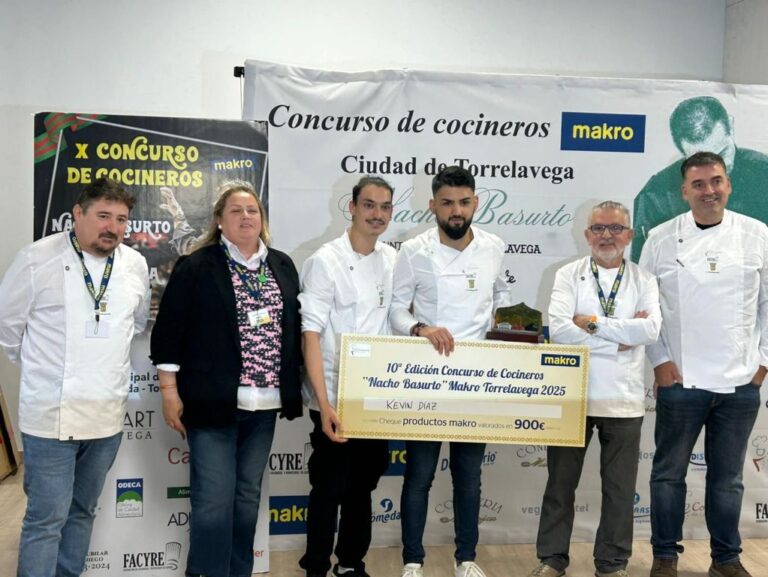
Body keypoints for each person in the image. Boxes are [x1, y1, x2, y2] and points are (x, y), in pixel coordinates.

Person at [150, 180, 303, 577]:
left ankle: (239, 572)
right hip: (212, 402)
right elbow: (168, 332)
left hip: (265, 404)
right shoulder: (198, 265)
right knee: (213, 501)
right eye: (235, 211)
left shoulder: (281, 264)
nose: (246, 217)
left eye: (252, 210)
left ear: (262, 219)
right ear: (219, 221)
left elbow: (296, 330)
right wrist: (169, 390)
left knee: (247, 498)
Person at [0, 177, 150, 577]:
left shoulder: (135, 264)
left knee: (82, 511)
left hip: (106, 416)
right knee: (45, 520)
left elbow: (134, 326)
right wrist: (45, 370)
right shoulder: (36, 259)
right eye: (103, 216)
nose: (113, 227)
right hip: (51, 415)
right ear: (77, 215)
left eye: (121, 219)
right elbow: (8, 331)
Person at [639, 152, 767, 577]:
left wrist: (763, 365)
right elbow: (646, 309)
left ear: (729, 184)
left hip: (740, 383)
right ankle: (664, 556)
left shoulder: (757, 235)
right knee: (667, 475)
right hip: (680, 380)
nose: (708, 190)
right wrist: (660, 362)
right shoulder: (659, 237)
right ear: (684, 191)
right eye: (699, 184)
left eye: (716, 181)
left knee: (728, 480)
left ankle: (726, 560)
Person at [389, 165, 512, 577]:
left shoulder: (494, 246)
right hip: (427, 378)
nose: (456, 211)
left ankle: (467, 559)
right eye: (447, 203)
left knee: (469, 477)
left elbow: (502, 299)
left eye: (463, 202)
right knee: (419, 476)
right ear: (433, 205)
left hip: (477, 381)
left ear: (475, 202)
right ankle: (412, 560)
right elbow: (395, 308)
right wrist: (422, 328)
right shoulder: (414, 250)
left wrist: (509, 330)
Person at [527, 201, 661, 577]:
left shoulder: (644, 279)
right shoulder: (568, 274)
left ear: (629, 235)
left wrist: (590, 324)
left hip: (624, 401)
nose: (607, 236)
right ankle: (552, 559)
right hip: (573, 396)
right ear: (587, 235)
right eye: (599, 229)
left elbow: (649, 331)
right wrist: (620, 334)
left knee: (619, 492)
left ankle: (612, 563)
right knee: (560, 485)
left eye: (615, 229)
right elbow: (559, 329)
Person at [298, 176, 397, 577]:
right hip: (335, 393)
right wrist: (324, 406)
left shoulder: (392, 260)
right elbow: (311, 336)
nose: (377, 214)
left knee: (363, 488)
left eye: (385, 207)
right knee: (329, 488)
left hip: (375, 395)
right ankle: (317, 567)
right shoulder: (325, 260)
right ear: (351, 207)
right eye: (369, 205)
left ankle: (352, 563)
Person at [631, 96, 768, 262]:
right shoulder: (656, 195)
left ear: (731, 126)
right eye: (700, 162)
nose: (715, 170)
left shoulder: (764, 173)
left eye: (723, 154)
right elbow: (644, 273)